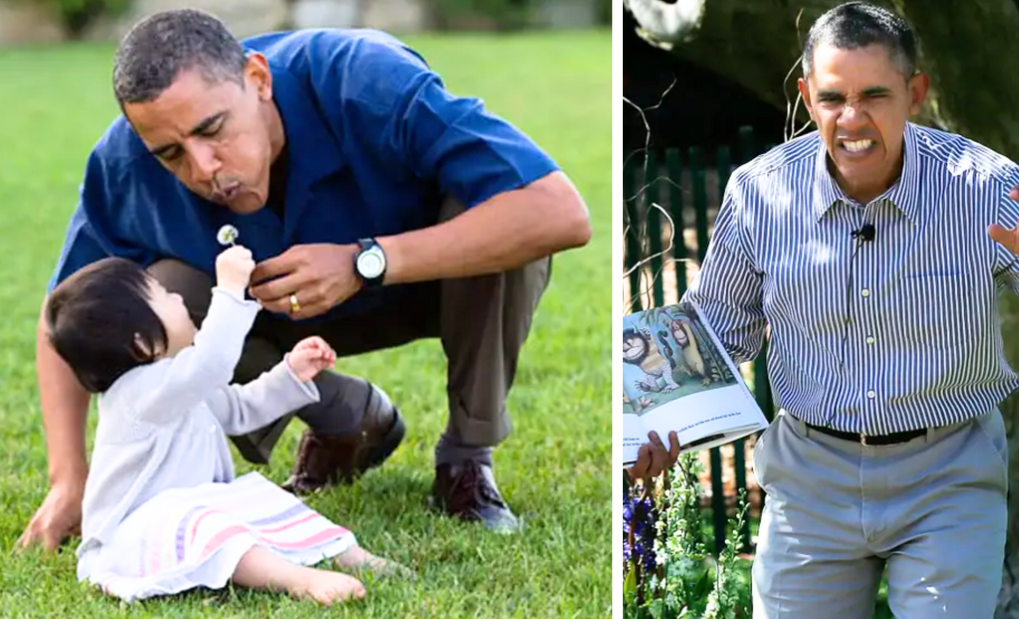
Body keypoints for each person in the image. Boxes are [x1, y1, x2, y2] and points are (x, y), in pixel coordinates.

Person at [18, 7, 591, 550]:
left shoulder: (364, 77)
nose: (203, 169)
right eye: (171, 154)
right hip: (275, 323)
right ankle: (351, 422)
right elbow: (65, 313)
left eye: (213, 129)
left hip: (424, 289)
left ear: (258, 79)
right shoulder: (123, 164)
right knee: (164, 291)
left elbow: (557, 211)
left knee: (496, 209)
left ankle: (467, 456)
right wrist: (70, 477)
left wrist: (367, 261)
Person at [632, 3, 1019, 618]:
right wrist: (651, 426)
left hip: (948, 475)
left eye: (875, 96)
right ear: (806, 96)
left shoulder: (983, 188)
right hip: (808, 481)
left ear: (915, 93)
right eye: (832, 98)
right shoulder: (761, 193)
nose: (852, 119)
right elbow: (713, 335)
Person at [46, 247, 407, 605]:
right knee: (203, 521)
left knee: (261, 498)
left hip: (194, 514)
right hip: (135, 537)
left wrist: (290, 375)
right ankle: (296, 578)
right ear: (144, 343)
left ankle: (348, 553)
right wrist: (230, 290)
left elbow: (238, 409)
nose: (176, 296)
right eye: (163, 295)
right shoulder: (138, 393)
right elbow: (214, 362)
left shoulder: (176, 384)